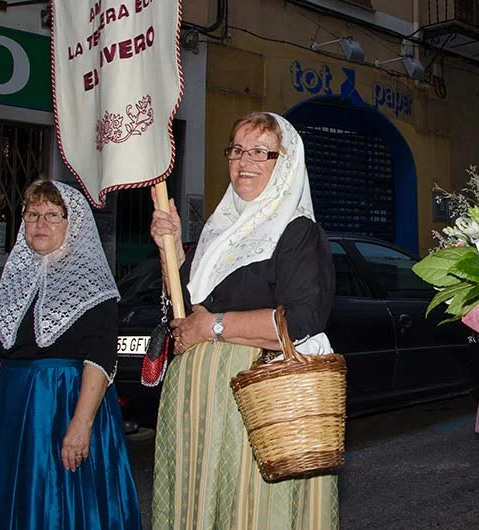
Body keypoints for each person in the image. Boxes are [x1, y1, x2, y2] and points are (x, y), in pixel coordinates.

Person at [150, 112, 338, 529]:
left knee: (247, 511)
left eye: (259, 151)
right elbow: (187, 308)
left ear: (284, 163)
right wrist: (172, 253)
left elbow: (304, 317)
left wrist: (213, 326)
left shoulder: (297, 232)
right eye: (236, 149)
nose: (244, 160)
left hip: (252, 407)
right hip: (198, 409)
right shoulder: (220, 230)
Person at [0, 180, 142, 530]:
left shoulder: (92, 285)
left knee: (63, 505)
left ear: (73, 226)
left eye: (53, 215)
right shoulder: (18, 278)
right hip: (17, 409)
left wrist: (80, 426)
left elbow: (101, 359)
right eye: (32, 214)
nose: (40, 223)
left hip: (64, 405)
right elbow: (5, 349)